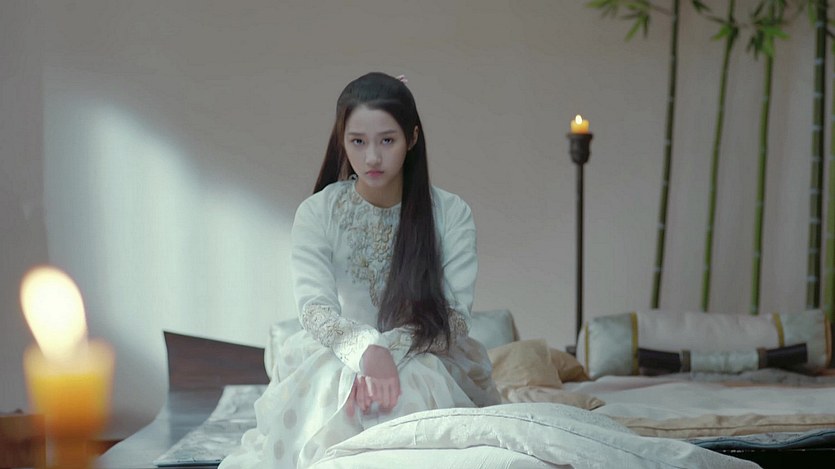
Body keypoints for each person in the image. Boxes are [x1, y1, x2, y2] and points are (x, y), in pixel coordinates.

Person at [219, 72, 500, 469]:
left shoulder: (450, 214)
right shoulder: (317, 212)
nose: (372, 158)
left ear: (412, 138)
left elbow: (455, 318)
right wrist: (366, 351)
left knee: (413, 384)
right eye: (358, 142)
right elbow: (316, 308)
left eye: (387, 140)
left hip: (426, 350)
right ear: (342, 140)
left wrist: (388, 354)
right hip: (339, 350)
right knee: (333, 386)